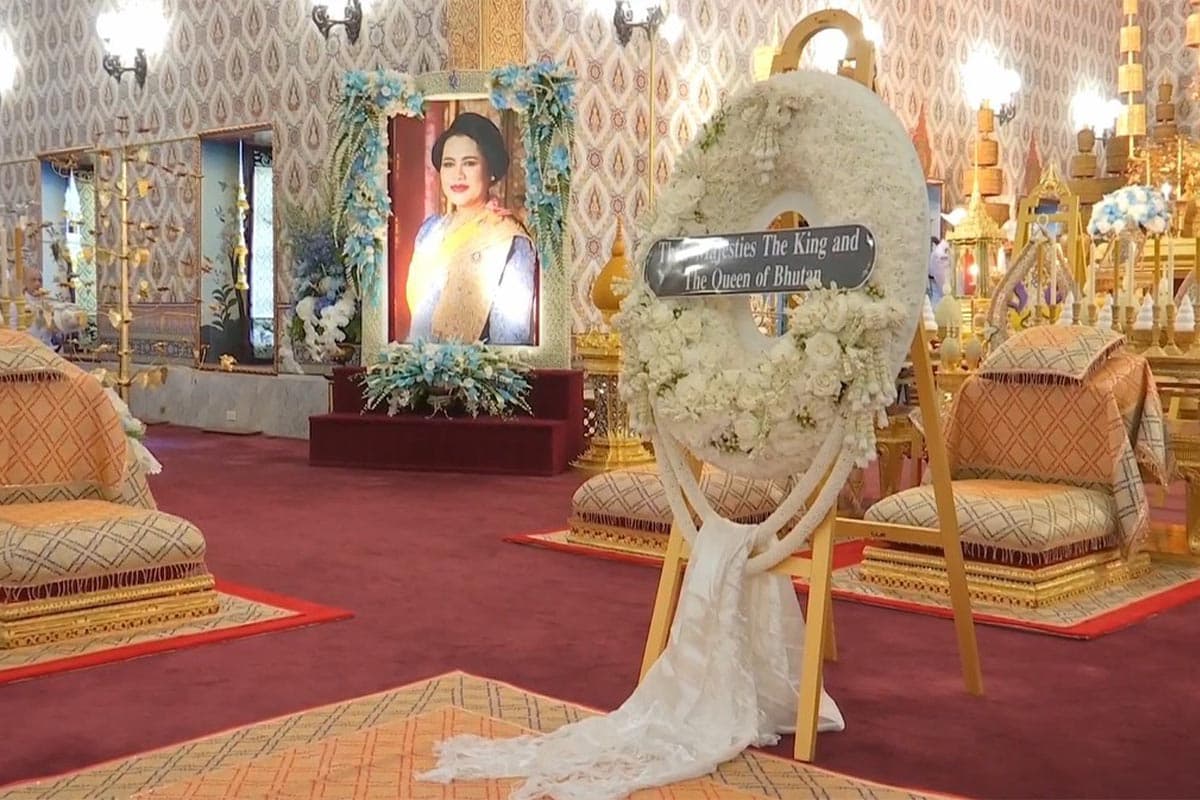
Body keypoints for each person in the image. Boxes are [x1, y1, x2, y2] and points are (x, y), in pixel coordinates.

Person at [405, 112, 537, 345]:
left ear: (491, 171)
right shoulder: (429, 231)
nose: (458, 174)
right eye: (448, 164)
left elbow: (510, 343)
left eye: (470, 163)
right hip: (415, 369)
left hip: (474, 376)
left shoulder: (508, 239)